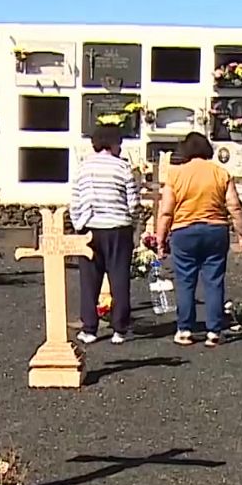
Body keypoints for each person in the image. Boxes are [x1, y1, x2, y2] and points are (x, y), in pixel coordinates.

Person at [154, 132, 242, 347]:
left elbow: (166, 212)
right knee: (214, 280)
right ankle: (214, 331)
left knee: (185, 281)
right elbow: (234, 206)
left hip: (184, 231)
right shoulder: (221, 173)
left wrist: (160, 239)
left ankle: (185, 330)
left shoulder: (175, 175)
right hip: (216, 231)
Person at [69, 123, 140, 344]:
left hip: (89, 227)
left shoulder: (83, 167)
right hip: (118, 227)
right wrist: (132, 222)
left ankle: (89, 328)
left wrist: (78, 224)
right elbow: (133, 202)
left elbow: (75, 200)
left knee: (89, 279)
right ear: (114, 143)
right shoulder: (122, 168)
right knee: (119, 278)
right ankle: (119, 329)